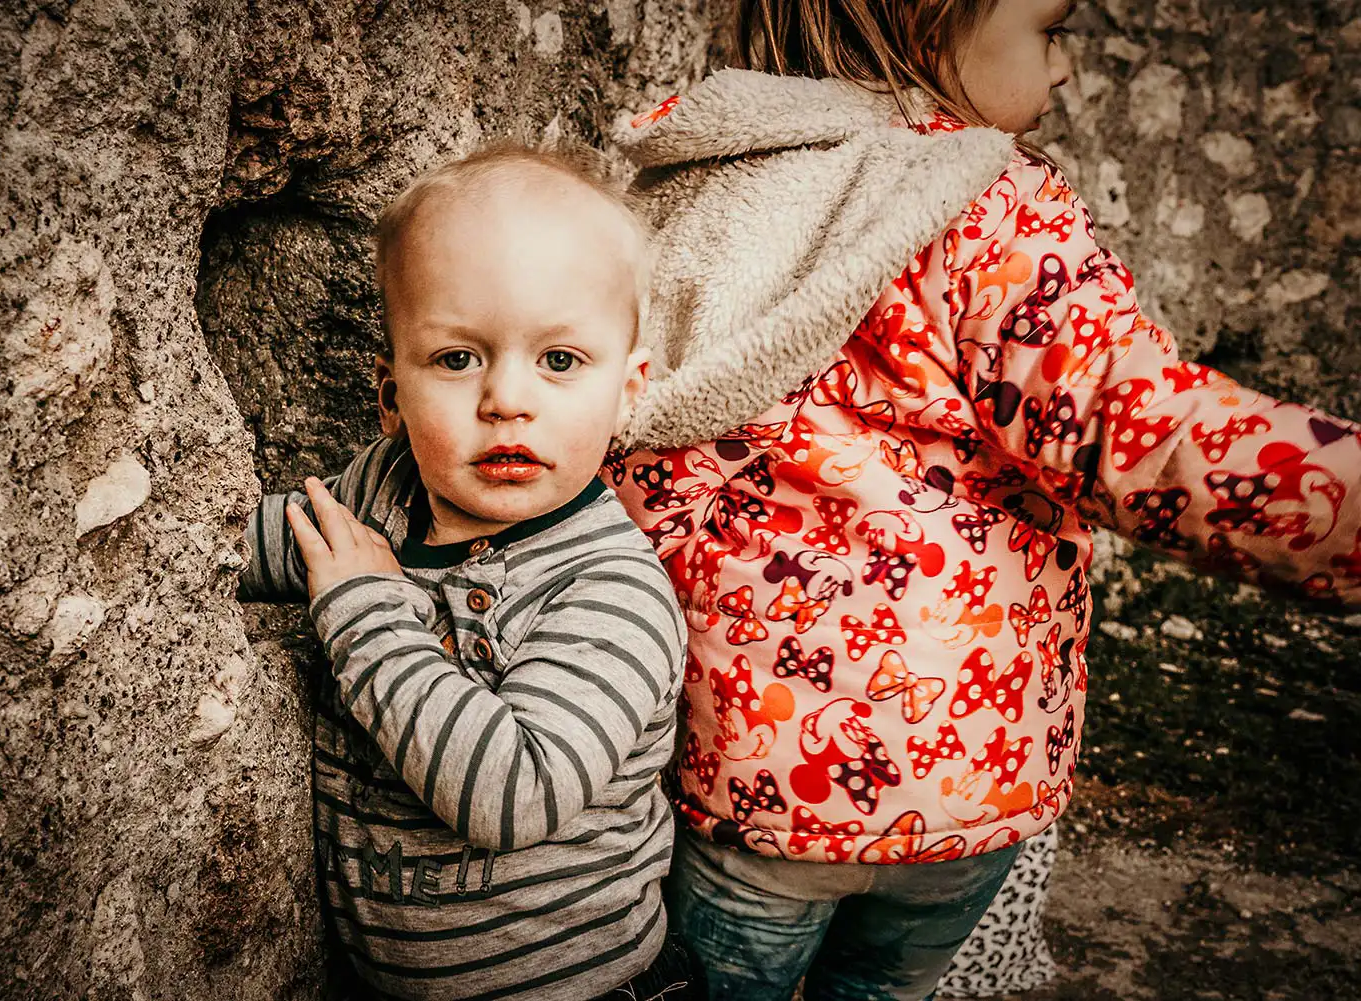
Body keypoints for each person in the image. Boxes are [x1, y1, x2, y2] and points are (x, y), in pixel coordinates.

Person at [602, 2, 1361, 999]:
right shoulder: (986, 205)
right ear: (928, 20)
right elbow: (1137, 427)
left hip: (749, 781)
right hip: (965, 776)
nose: (1065, 73)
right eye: (1050, 29)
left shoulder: (691, 192)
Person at [237, 146, 702, 1000]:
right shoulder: (377, 490)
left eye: (560, 360)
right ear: (391, 393)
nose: (506, 399)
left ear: (628, 391)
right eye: (458, 359)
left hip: (580, 987)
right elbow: (232, 546)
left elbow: (516, 796)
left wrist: (366, 610)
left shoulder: (612, 592)